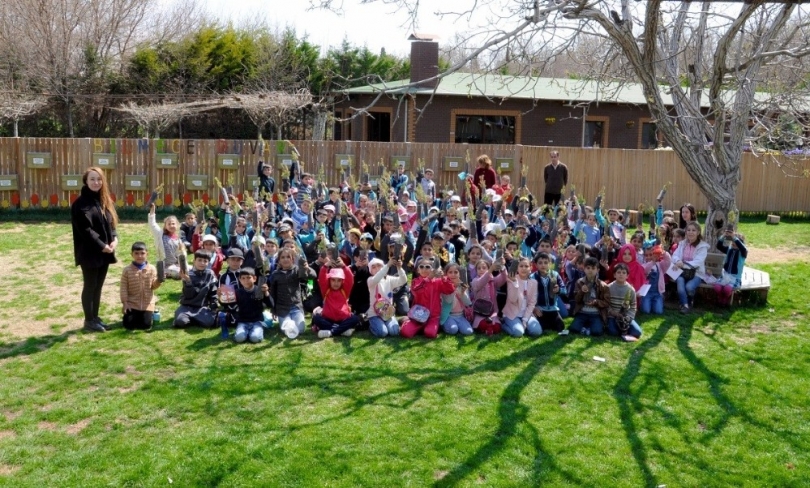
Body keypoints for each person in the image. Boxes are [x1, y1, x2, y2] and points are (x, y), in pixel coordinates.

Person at [71, 167, 119, 332]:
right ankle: (88, 320)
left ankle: (95, 317)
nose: (96, 182)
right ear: (86, 181)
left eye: (99, 179)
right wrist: (102, 246)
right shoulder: (80, 204)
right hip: (89, 252)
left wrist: (114, 239)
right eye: (92, 179)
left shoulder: (104, 200)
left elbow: (111, 222)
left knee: (98, 286)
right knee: (90, 285)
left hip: (105, 251)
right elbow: (85, 230)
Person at [401, 257, 455, 339]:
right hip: (417, 316)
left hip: (433, 316)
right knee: (405, 333)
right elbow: (416, 290)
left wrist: (443, 277)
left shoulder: (438, 281)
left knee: (430, 334)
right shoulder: (415, 281)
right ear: (418, 270)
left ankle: (426, 327)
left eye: (427, 267)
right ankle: (408, 322)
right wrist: (428, 278)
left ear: (432, 269)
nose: (424, 269)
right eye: (421, 266)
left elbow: (450, 290)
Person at [268, 248, 316, 339]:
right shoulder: (275, 274)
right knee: (286, 330)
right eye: (282, 257)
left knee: (301, 330)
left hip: (296, 306)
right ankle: (286, 321)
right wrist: (273, 310)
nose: (285, 259)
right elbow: (273, 293)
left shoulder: (297, 270)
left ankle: (293, 321)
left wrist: (307, 268)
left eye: (288, 257)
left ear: (292, 259)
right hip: (282, 308)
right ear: (279, 260)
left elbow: (313, 276)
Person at [120, 242, 162, 331]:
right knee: (128, 325)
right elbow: (123, 288)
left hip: (147, 303)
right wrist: (125, 303)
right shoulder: (127, 270)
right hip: (132, 303)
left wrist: (159, 281)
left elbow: (153, 286)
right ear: (132, 254)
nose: (139, 256)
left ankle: (151, 312)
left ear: (147, 253)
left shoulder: (152, 269)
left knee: (145, 325)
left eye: (142, 253)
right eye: (136, 253)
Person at [173, 251, 219, 328]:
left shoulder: (210, 274)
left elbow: (213, 293)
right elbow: (189, 295)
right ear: (194, 261)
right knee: (180, 322)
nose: (202, 263)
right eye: (199, 260)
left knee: (211, 322)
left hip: (201, 308)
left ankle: (193, 319)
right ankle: (190, 318)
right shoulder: (187, 274)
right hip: (186, 306)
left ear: (208, 263)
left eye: (205, 261)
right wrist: (188, 281)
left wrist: (214, 307)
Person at [313, 263, 360, 338]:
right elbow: (321, 278)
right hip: (328, 319)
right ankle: (341, 330)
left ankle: (332, 332)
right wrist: (325, 266)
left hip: (343, 319)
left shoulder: (345, 290)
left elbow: (350, 279)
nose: (336, 283)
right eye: (333, 280)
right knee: (316, 318)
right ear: (329, 280)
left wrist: (344, 266)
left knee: (355, 318)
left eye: (339, 280)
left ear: (342, 281)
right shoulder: (326, 290)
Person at [671, 221, 709, 313]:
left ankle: (690, 299)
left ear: (698, 232)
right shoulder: (682, 243)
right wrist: (678, 261)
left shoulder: (702, 247)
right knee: (680, 282)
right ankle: (685, 305)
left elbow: (698, 262)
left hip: (696, 273)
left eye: (693, 230)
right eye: (688, 230)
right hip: (681, 272)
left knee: (688, 287)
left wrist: (683, 264)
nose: (690, 232)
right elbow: (675, 255)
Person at [569, 257, 610, 336]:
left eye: (593, 268)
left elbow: (607, 303)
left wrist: (596, 302)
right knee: (574, 329)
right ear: (584, 269)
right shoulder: (579, 282)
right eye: (588, 268)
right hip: (582, 312)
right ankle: (586, 326)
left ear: (597, 270)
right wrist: (581, 291)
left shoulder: (603, 285)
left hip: (595, 313)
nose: (590, 270)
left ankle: (588, 327)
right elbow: (576, 300)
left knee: (597, 332)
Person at [367, 257, 407, 338]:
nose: (377, 268)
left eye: (379, 265)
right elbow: (377, 278)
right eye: (373, 267)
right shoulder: (370, 280)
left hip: (387, 312)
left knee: (395, 332)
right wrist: (388, 265)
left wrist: (399, 268)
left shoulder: (389, 279)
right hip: (374, 314)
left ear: (383, 267)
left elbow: (403, 280)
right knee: (383, 333)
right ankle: (371, 325)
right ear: (370, 271)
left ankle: (387, 322)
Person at [502, 257, 541, 337]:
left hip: (526, 314)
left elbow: (532, 303)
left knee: (537, 332)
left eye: (526, 266)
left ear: (530, 268)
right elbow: (512, 299)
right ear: (517, 268)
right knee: (518, 333)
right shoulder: (511, 279)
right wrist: (515, 284)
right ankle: (504, 325)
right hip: (512, 314)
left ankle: (523, 326)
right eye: (521, 266)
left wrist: (525, 319)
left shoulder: (534, 282)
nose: (524, 268)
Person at [233, 267, 273, 343]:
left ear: (254, 278)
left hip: (256, 321)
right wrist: (222, 297)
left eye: (248, 278)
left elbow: (271, 304)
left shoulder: (259, 291)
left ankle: (256, 331)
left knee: (255, 338)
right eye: (243, 278)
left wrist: (266, 293)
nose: (246, 281)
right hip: (243, 321)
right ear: (240, 280)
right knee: (239, 338)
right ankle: (245, 332)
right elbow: (228, 304)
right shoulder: (237, 292)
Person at [606, 263, 643, 340]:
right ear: (614, 275)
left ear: (627, 276)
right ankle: (619, 329)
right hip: (612, 316)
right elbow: (606, 305)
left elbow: (633, 306)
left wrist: (628, 317)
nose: (621, 275)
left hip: (625, 317)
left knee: (637, 332)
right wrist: (613, 313)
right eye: (618, 272)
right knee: (613, 332)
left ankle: (625, 329)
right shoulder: (609, 288)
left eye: (623, 273)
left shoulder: (630, 289)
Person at [714, 228, 748, 307]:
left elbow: (743, 248)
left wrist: (735, 238)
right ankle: (720, 296)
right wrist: (724, 236)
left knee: (727, 289)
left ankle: (726, 298)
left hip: (735, 278)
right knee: (717, 287)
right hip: (725, 275)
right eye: (732, 241)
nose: (734, 243)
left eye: (736, 242)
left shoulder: (742, 253)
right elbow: (719, 246)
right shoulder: (729, 250)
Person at [440, 263, 474, 336]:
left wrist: (462, 293)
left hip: (460, 315)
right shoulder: (443, 286)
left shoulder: (462, 285)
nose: (453, 274)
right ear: (446, 274)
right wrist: (453, 288)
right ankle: (444, 325)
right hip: (448, 315)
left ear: (459, 274)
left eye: (456, 272)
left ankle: (458, 324)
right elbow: (448, 301)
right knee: (453, 329)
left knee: (469, 331)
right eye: (450, 272)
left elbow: (468, 303)